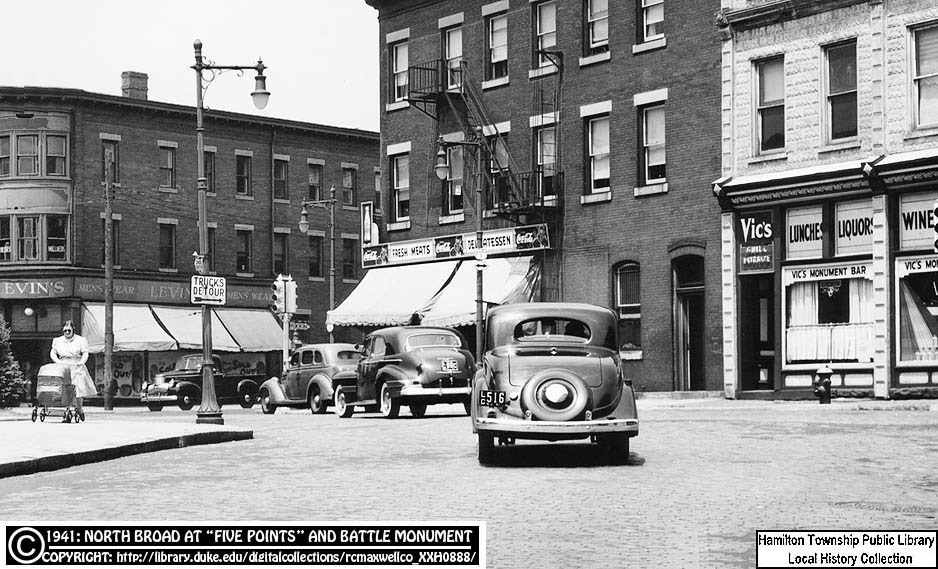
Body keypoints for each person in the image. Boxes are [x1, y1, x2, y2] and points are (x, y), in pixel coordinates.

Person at [50, 320, 95, 420]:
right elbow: (53, 353)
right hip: (63, 365)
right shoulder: (57, 340)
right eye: (65, 330)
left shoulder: (81, 340)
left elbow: (85, 353)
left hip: (76, 366)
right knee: (65, 389)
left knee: (77, 390)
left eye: (69, 330)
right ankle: (67, 410)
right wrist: (57, 361)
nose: (67, 332)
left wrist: (81, 362)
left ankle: (79, 408)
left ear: (73, 330)